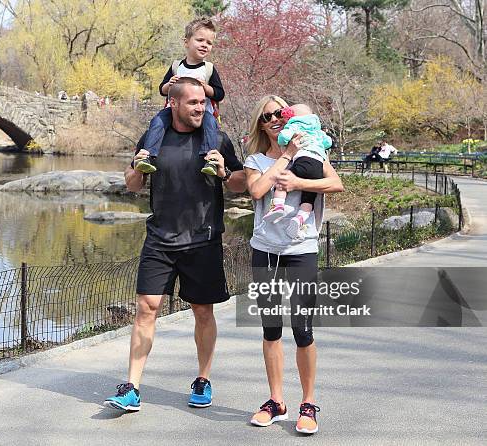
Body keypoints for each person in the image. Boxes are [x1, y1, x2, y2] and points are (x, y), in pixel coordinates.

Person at [104, 77, 246, 412]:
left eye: (203, 102)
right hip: (160, 239)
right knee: (145, 308)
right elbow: (133, 184)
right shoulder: (155, 138)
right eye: (194, 103)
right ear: (174, 104)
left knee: (202, 311)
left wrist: (225, 173)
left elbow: (241, 183)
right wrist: (137, 169)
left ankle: (203, 378)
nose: (201, 108)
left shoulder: (216, 139)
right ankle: (132, 387)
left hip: (203, 240)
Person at [243, 95, 344, 434]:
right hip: (266, 249)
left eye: (280, 114)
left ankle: (308, 403)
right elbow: (257, 191)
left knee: (302, 329)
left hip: (301, 248)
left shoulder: (313, 149)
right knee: (270, 328)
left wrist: (299, 182)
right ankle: (276, 401)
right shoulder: (256, 158)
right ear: (261, 123)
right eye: (267, 116)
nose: (274, 119)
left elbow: (335, 183)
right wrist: (285, 156)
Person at [134, 17, 225, 176]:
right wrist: (170, 84)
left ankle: (210, 158)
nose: (205, 45)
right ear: (186, 42)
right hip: (173, 110)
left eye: (209, 43)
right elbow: (162, 90)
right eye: (200, 40)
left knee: (210, 123)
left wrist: (206, 87)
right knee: (157, 121)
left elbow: (219, 93)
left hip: (202, 112)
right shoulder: (177, 66)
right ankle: (147, 156)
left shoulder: (208, 69)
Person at [263, 104, 332, 241]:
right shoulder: (317, 130)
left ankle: (277, 206)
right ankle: (299, 219)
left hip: (303, 161)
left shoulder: (294, 126)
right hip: (317, 167)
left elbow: (282, 138)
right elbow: (328, 142)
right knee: (308, 199)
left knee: (281, 182)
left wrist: (287, 146)